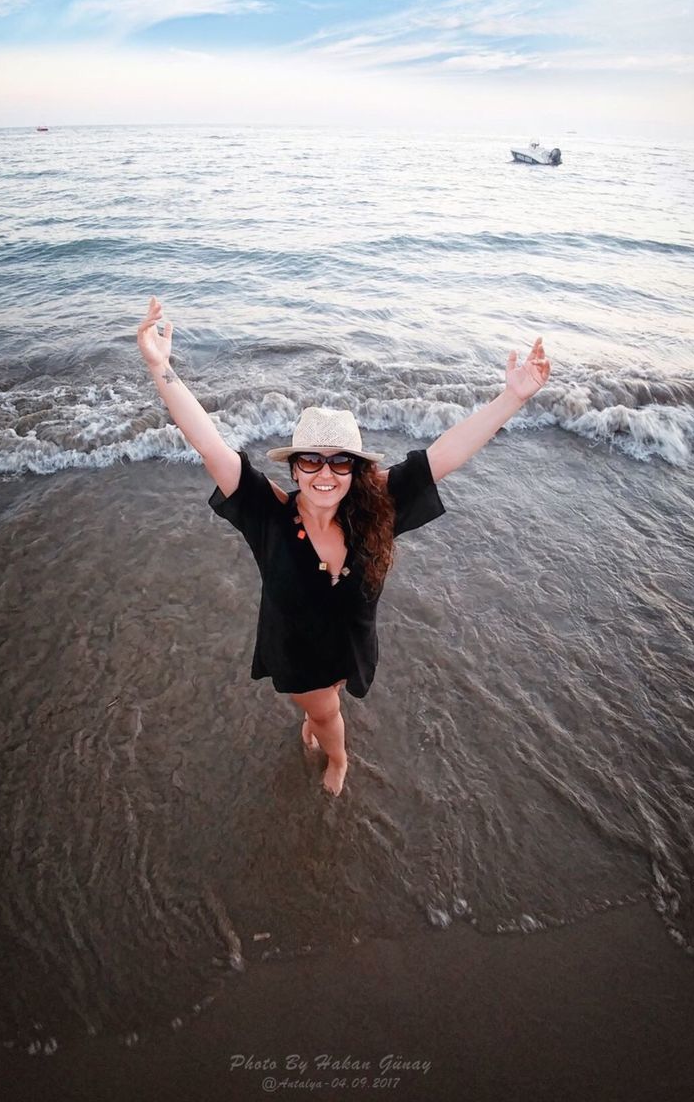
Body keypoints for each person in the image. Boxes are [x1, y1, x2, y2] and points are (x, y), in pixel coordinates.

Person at [136, 296, 551, 797]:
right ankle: (339, 755)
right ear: (293, 468)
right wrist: (162, 369)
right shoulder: (268, 512)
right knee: (325, 711)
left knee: (328, 697)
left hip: (350, 642)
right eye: (310, 461)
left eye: (339, 463)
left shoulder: (376, 508)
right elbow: (208, 442)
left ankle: (321, 719)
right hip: (295, 651)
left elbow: (447, 451)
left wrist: (514, 398)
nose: (324, 474)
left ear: (356, 470)